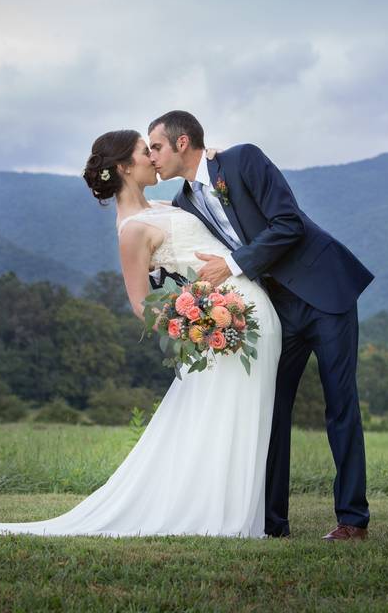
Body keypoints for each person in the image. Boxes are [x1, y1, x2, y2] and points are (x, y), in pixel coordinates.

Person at [0, 129, 283, 537]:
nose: (154, 158)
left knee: (238, 416)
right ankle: (217, 517)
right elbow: (141, 304)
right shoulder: (132, 229)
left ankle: (233, 513)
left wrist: (210, 156)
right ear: (126, 166)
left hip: (244, 313)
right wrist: (194, 324)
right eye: (147, 152)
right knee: (222, 419)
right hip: (224, 325)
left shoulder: (165, 204)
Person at [147, 111, 374, 541]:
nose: (152, 156)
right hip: (275, 310)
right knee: (270, 409)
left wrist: (232, 265)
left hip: (324, 291)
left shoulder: (242, 160)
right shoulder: (183, 204)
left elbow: (287, 223)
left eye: (155, 146)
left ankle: (352, 520)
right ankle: (272, 523)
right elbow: (183, 250)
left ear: (181, 144)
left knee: (341, 404)